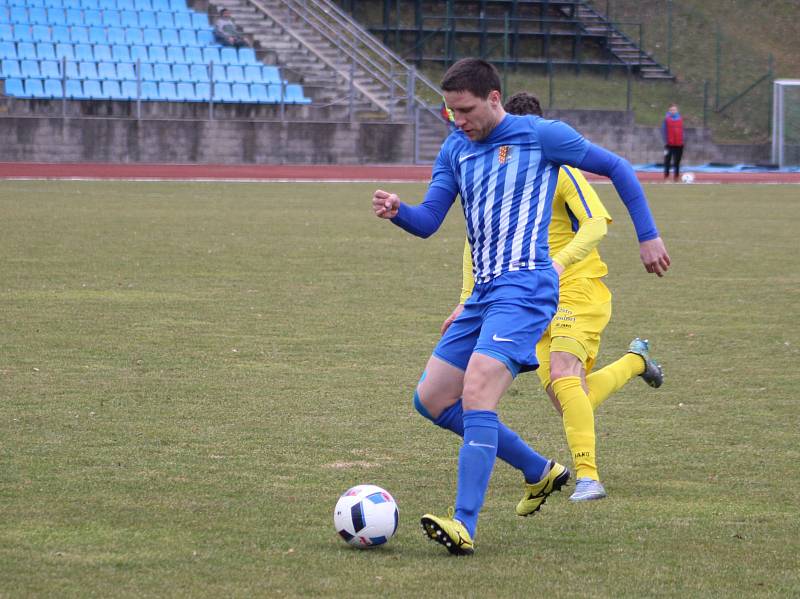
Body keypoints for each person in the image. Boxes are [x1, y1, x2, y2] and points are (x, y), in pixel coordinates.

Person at [371, 59, 669, 556]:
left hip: (526, 288)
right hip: (483, 293)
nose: (457, 120)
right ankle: (539, 470)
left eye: (465, 110)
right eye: (450, 112)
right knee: (433, 399)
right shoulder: (454, 149)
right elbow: (428, 222)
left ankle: (464, 524)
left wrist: (648, 235)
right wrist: (400, 212)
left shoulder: (541, 135)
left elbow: (617, 167)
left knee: (478, 388)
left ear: (494, 98)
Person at [440, 91, 665, 505]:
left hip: (575, 286)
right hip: (525, 296)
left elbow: (596, 223)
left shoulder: (558, 169)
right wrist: (465, 299)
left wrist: (559, 265)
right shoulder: (491, 174)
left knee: (564, 376)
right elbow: (477, 245)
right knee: (569, 397)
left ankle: (588, 478)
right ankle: (635, 362)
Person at [662, 103, 684, 181]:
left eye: (674, 110)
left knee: (677, 161)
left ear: (677, 110)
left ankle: (676, 176)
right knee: (667, 161)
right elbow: (663, 131)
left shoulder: (680, 119)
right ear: (669, 110)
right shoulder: (666, 119)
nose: (673, 111)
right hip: (669, 145)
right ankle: (666, 176)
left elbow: (682, 131)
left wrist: (682, 141)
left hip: (679, 144)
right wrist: (665, 141)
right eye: (671, 110)